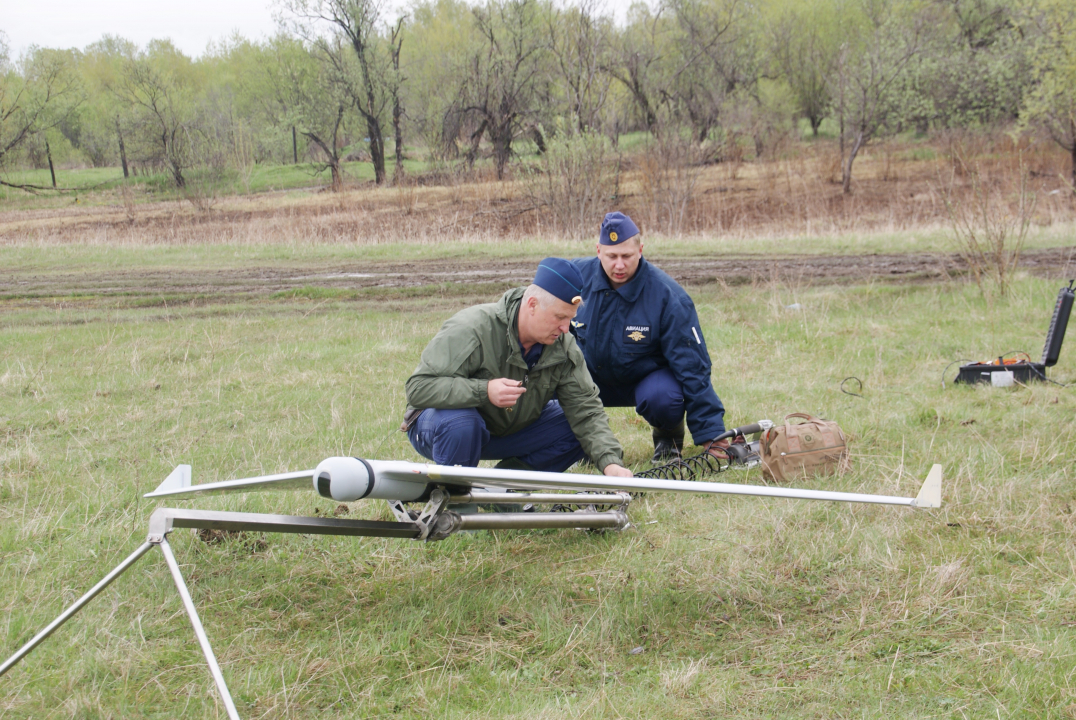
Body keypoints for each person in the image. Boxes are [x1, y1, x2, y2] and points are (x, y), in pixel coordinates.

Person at [404, 257, 633, 477]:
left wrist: (611, 464)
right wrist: (484, 391)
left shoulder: (563, 346)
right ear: (532, 305)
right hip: (441, 428)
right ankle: (455, 499)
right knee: (463, 423)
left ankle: (502, 490)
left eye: (570, 318)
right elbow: (418, 389)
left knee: (574, 427)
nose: (566, 328)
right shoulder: (472, 328)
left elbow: (586, 410)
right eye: (559, 317)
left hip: (506, 430)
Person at [570, 212, 729, 462]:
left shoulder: (669, 297)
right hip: (589, 377)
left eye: (627, 256)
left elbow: (693, 368)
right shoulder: (574, 279)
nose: (619, 265)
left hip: (643, 379)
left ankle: (668, 437)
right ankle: (576, 445)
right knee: (548, 382)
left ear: (641, 250)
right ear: (598, 250)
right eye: (612, 256)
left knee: (664, 397)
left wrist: (713, 435)